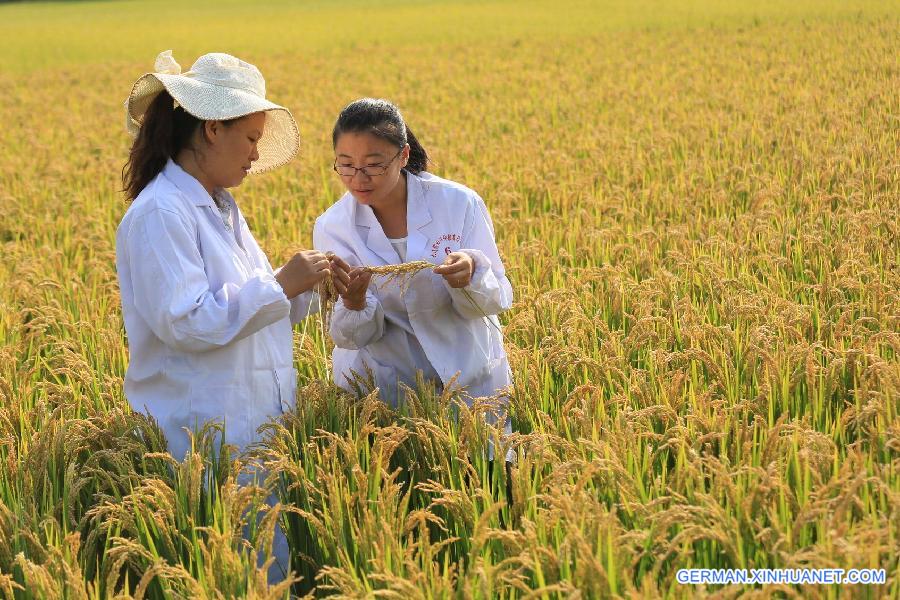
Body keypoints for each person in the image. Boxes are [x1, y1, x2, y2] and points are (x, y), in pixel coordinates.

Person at [116, 50, 327, 583]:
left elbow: (249, 312)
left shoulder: (221, 207)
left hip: (250, 428)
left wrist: (312, 288)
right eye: (251, 138)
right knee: (229, 575)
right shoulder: (162, 213)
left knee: (263, 570)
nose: (255, 155)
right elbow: (187, 322)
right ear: (213, 129)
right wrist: (282, 283)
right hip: (202, 435)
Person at [313, 98, 514, 431]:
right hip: (386, 389)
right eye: (345, 165)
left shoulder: (458, 203)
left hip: (469, 380)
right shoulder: (333, 227)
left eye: (373, 164)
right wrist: (354, 301)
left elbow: (499, 296)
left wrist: (471, 274)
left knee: (484, 473)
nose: (358, 178)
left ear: (403, 156)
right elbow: (349, 336)